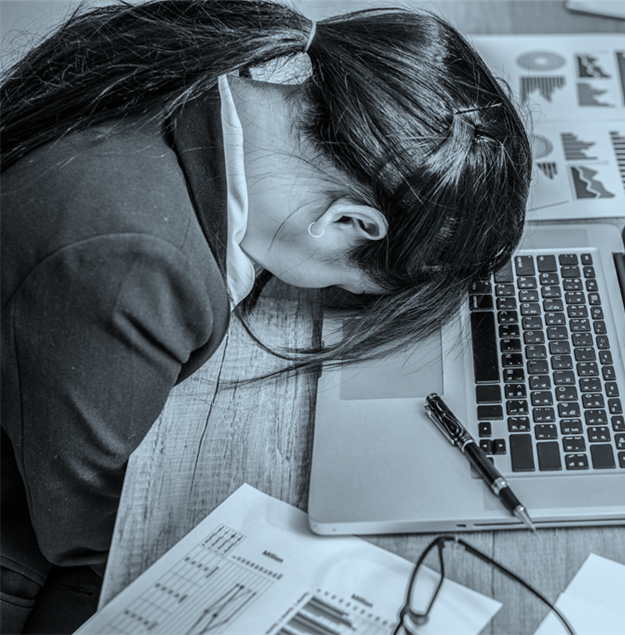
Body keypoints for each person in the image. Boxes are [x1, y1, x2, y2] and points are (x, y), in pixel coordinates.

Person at [0, 1, 531, 632]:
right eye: (354, 282)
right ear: (349, 223)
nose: (342, 295)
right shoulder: (136, 263)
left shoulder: (207, 79)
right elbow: (94, 533)